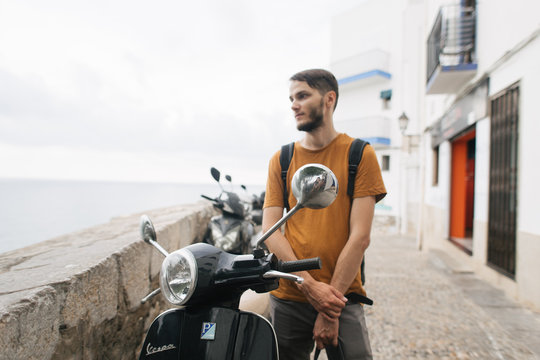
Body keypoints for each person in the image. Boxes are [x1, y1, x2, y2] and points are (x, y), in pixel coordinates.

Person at [262, 69, 387, 360]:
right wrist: (308, 286)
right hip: (289, 296)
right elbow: (270, 230)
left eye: (303, 95)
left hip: (342, 298)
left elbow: (360, 236)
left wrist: (330, 309)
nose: (294, 104)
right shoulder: (281, 160)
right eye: (292, 97)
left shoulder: (359, 154)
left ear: (329, 99)